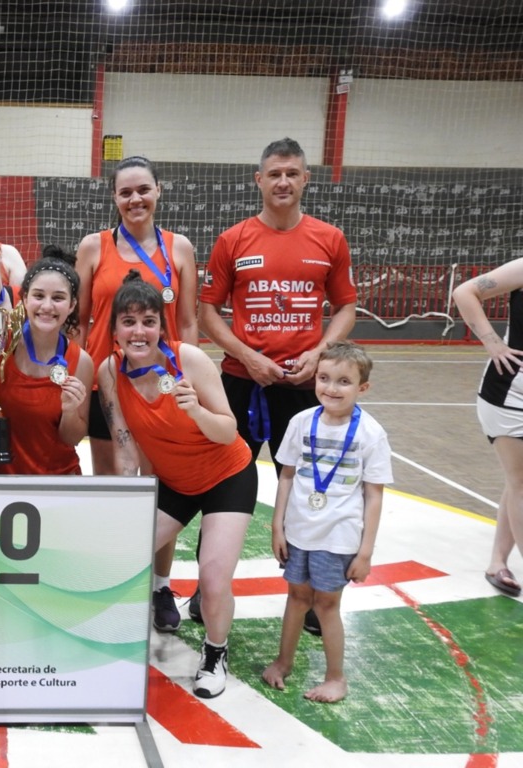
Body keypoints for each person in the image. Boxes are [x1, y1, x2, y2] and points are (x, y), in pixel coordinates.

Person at [195, 137, 359, 633]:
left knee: (311, 488)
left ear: (305, 178)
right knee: (220, 482)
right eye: (274, 174)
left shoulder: (329, 239)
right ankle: (208, 589)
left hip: (303, 386)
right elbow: (207, 312)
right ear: (259, 181)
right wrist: (246, 354)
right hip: (241, 384)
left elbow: (346, 306)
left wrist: (321, 353)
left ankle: (309, 596)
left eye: (292, 173)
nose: (283, 181)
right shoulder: (233, 240)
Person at [98, 272, 256, 699]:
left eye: (149, 321)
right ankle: (112, 641)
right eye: (128, 321)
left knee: (214, 576)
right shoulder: (109, 372)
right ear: (114, 329)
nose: (138, 331)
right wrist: (125, 504)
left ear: (161, 328)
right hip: (177, 483)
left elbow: (228, 430)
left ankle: (215, 652)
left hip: (228, 475)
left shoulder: (190, 361)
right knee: (125, 554)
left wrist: (196, 412)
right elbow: (125, 448)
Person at [76, 155, 198, 623]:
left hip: (160, 389)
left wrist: (184, 382)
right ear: (114, 198)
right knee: (112, 487)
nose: (135, 199)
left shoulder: (179, 248)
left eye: (143, 189)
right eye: (125, 192)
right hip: (106, 388)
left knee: (159, 487)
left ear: (158, 191)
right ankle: (115, 581)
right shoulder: (93, 247)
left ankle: (160, 588)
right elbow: (81, 320)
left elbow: (185, 321)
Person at [262, 341, 392, 703]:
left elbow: (374, 495)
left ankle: (336, 678)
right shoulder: (301, 422)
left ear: (362, 387)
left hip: (339, 536)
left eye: (343, 381)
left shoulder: (370, 433)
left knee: (326, 605)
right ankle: (282, 662)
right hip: (299, 531)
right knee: (296, 596)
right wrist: (277, 526)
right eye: (324, 378)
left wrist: (365, 552)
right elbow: (286, 476)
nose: (331, 388)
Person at [0, 245, 93, 475]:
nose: (47, 306)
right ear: (25, 299)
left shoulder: (81, 361)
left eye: (58, 298)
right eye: (39, 296)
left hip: (53, 484)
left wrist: (71, 411)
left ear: (71, 306)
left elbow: (71, 438)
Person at [452, 259, 523, 598]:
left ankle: (497, 560)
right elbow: (464, 292)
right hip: (511, 393)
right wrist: (493, 342)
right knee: (521, 482)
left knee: (518, 481)